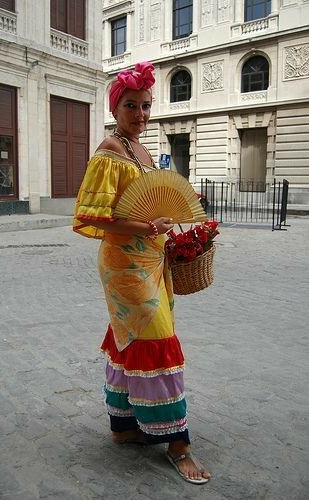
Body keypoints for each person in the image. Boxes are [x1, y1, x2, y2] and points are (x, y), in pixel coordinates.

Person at [73, 62, 211, 485]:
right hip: (124, 265)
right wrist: (148, 226)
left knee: (130, 338)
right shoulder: (109, 150)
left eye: (147, 106)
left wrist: (171, 220)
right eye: (131, 105)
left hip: (154, 260)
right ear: (116, 108)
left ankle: (125, 427)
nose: (141, 114)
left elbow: (151, 202)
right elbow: (91, 216)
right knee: (157, 339)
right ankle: (178, 443)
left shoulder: (144, 151)